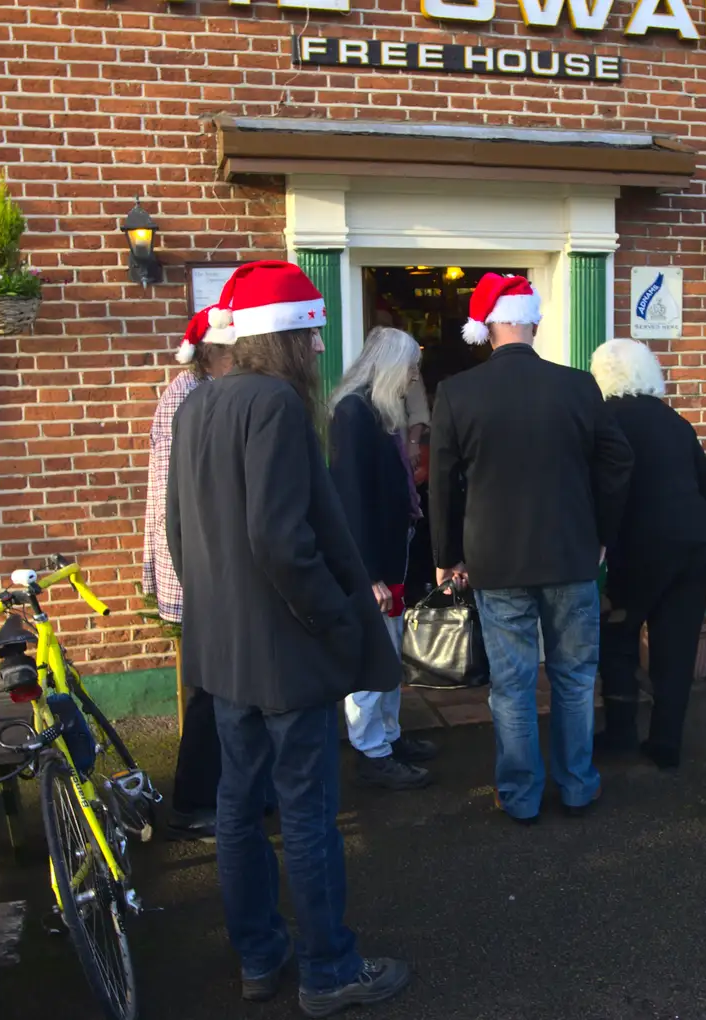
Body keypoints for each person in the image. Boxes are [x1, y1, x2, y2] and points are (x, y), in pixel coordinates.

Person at [167, 260, 412, 1016]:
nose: (317, 352)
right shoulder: (275, 405)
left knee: (240, 805)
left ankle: (260, 956)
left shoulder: (196, 405)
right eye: (311, 337)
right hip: (284, 652)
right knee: (305, 811)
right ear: (288, 339)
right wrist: (334, 619)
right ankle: (330, 970)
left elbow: (181, 535)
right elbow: (281, 540)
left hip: (224, 650)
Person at [429, 273, 633, 825]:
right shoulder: (577, 386)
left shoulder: (456, 392)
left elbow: (442, 483)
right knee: (573, 675)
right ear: (535, 324)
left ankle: (519, 795)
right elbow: (617, 462)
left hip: (495, 561)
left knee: (512, 683)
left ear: (487, 329)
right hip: (571, 554)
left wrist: (447, 556)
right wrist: (600, 534)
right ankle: (576, 786)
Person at [589, 339, 706, 772]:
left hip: (641, 548)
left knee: (619, 636)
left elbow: (602, 489)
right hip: (695, 543)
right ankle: (666, 742)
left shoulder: (605, 420)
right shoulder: (675, 421)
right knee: (677, 644)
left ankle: (623, 731)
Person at [327, 326, 438, 791]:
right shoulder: (354, 414)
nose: (414, 375)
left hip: (392, 553)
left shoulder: (377, 411)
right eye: (410, 366)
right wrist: (367, 572)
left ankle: (388, 736)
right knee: (374, 656)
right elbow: (350, 498)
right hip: (373, 562)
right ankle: (371, 750)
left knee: (390, 652)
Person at [142, 305, 236, 841]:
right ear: (219, 353)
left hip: (197, 562)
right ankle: (195, 801)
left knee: (217, 689)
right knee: (208, 692)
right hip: (200, 566)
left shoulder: (190, 391)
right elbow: (180, 497)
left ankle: (216, 794)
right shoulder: (191, 396)